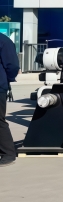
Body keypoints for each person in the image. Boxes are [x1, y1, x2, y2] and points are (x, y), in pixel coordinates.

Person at [0, 32, 20, 167]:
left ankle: (8, 153)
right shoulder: (3, 40)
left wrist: (7, 78)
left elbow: (12, 65)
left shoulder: (3, 41)